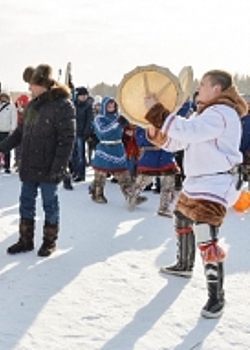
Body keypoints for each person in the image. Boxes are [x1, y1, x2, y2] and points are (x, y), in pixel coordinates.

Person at [144, 69, 247, 318]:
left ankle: (216, 298)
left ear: (217, 89)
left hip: (215, 184)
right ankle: (184, 264)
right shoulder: (205, 114)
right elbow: (180, 140)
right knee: (181, 216)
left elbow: (188, 132)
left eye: (203, 85)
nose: (198, 88)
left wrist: (157, 111)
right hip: (196, 182)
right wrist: (155, 128)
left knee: (205, 237)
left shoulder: (223, 113)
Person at [0, 64, 75, 257]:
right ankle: (25, 240)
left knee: (50, 204)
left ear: (42, 84)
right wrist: (2, 148)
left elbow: (67, 140)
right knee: (26, 202)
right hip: (29, 163)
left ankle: (49, 242)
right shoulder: (32, 106)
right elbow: (20, 133)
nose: (29, 88)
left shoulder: (63, 105)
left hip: (49, 166)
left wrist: (59, 167)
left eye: (32, 84)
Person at [90, 98, 143, 204]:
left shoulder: (118, 117)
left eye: (113, 106)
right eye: (109, 106)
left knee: (124, 175)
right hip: (105, 148)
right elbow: (103, 132)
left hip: (118, 148)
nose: (111, 108)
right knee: (100, 175)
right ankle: (97, 194)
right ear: (104, 107)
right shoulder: (99, 119)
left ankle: (130, 196)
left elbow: (130, 124)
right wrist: (117, 124)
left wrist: (131, 114)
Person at [127, 126, 178, 217]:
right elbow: (140, 139)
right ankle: (132, 197)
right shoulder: (143, 120)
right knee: (143, 181)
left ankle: (164, 207)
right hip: (150, 154)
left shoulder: (167, 118)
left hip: (165, 154)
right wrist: (152, 139)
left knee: (168, 181)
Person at [0, 92, 17, 174]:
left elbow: (14, 118)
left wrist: (12, 129)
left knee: (7, 149)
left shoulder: (11, 107)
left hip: (6, 131)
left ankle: (7, 166)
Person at [72, 87, 94, 182]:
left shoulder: (88, 106)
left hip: (82, 133)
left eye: (85, 95)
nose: (84, 97)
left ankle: (81, 174)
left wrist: (86, 133)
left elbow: (89, 121)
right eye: (82, 95)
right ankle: (75, 171)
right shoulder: (74, 105)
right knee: (73, 154)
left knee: (81, 155)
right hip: (73, 132)